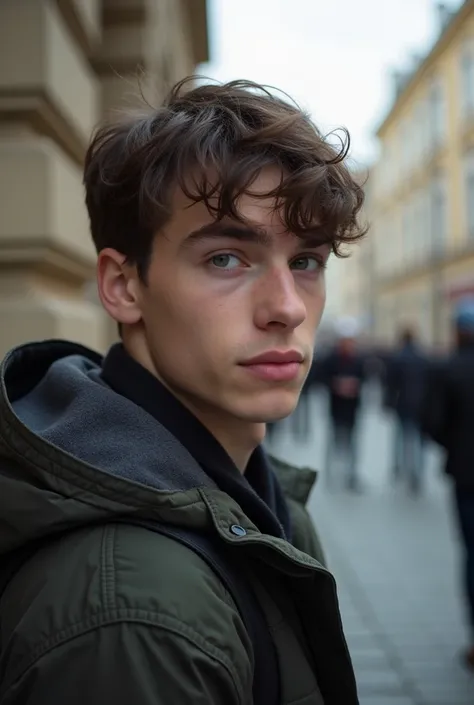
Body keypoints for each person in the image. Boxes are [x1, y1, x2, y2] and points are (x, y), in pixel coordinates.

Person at [0, 78, 365, 704]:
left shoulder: (256, 496)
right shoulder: (132, 616)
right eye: (226, 258)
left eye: (306, 261)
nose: (286, 309)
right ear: (123, 285)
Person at [422, 298, 474, 670]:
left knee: (473, 554)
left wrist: (455, 445)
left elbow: (432, 422)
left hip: (467, 475)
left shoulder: (450, 368)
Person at [385, 327, 429, 495]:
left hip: (403, 404)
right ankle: (417, 473)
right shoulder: (423, 358)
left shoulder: (398, 358)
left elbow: (390, 384)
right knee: (419, 440)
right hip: (421, 405)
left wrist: (388, 403)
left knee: (401, 437)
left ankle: (399, 467)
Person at [322, 323, 365, 492]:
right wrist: (337, 384)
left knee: (353, 443)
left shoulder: (358, 360)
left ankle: (351, 475)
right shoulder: (331, 359)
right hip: (336, 407)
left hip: (353, 408)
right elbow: (322, 378)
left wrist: (354, 385)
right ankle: (331, 474)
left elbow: (364, 379)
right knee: (334, 441)